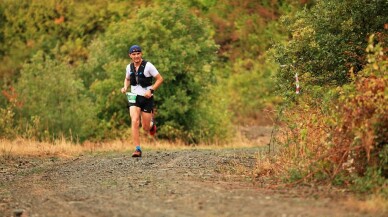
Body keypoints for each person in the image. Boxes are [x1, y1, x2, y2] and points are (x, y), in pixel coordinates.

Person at [121, 45, 163, 157]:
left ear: (141, 54)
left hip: (147, 98)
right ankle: (137, 149)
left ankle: (151, 124)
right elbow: (127, 79)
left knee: (145, 127)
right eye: (133, 54)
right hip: (134, 97)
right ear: (130, 55)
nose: (136, 56)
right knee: (134, 120)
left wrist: (151, 90)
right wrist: (125, 87)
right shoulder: (128, 67)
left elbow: (160, 79)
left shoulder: (148, 66)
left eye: (138, 54)